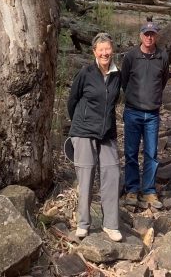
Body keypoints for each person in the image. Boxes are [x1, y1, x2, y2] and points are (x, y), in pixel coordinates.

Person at [67, 32, 123, 242]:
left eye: (107, 49)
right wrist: (80, 123)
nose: (105, 53)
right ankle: (83, 223)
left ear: (112, 50)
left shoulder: (118, 74)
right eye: (101, 50)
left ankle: (111, 225)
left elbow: (115, 99)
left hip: (107, 132)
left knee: (112, 174)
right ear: (94, 52)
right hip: (83, 132)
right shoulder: (86, 72)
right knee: (86, 176)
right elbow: (72, 101)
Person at [119, 18, 169, 210]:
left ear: (156, 36)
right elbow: (124, 81)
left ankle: (148, 190)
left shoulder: (162, 56)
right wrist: (134, 99)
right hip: (133, 111)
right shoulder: (131, 56)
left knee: (151, 154)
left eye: (152, 34)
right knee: (131, 153)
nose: (149, 37)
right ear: (141, 35)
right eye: (146, 34)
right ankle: (132, 188)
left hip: (152, 114)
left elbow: (162, 80)